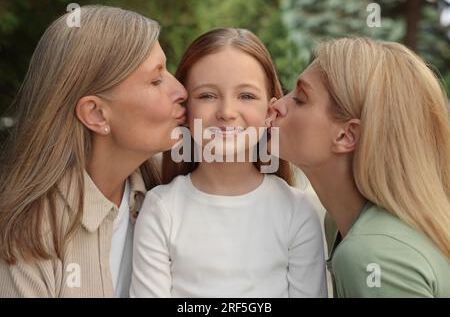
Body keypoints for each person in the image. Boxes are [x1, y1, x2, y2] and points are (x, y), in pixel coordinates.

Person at [0, 5, 187, 297]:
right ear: (96, 114)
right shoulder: (27, 239)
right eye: (156, 80)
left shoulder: (173, 184)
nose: (181, 91)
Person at [130, 28, 328, 298]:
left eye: (246, 96)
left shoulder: (297, 211)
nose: (226, 113)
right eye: (207, 96)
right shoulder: (161, 208)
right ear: (186, 110)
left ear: (270, 111)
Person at [267, 37, 450, 297]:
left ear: (346, 135)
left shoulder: (371, 254)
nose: (277, 105)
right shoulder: (341, 223)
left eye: (301, 98)